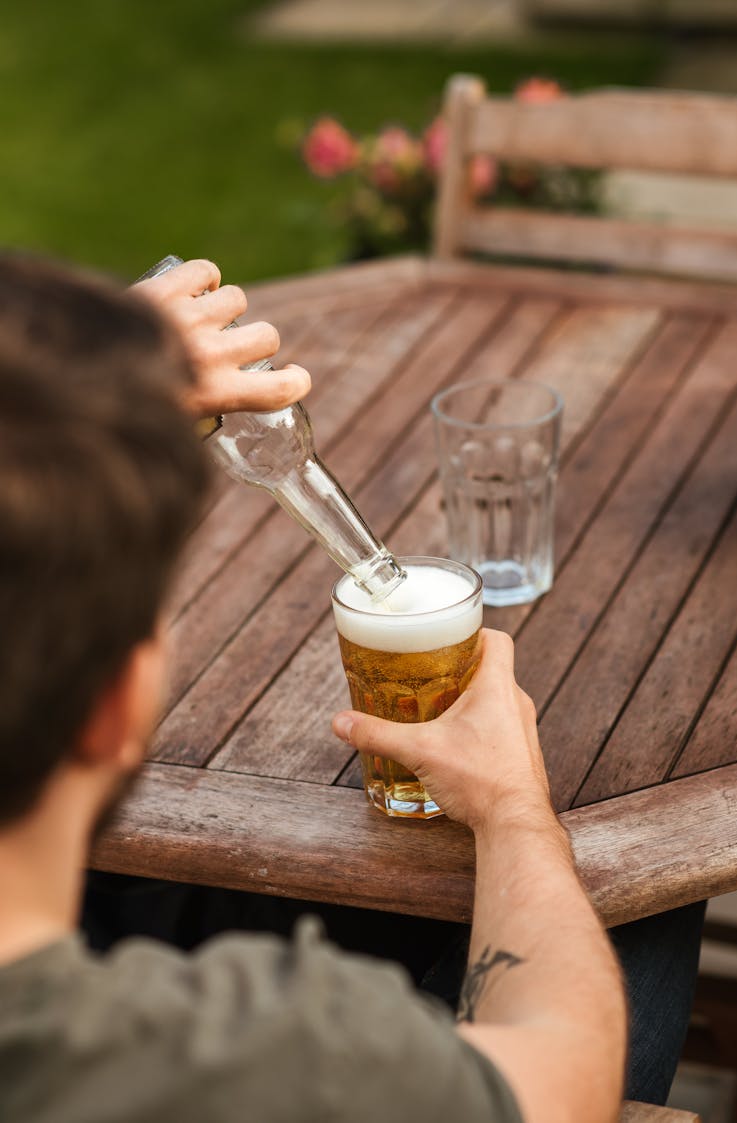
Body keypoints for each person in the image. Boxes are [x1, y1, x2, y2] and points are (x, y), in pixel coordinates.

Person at [0, 252, 677, 1123]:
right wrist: (513, 806)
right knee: (642, 905)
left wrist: (55, 412)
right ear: (118, 703)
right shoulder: (277, 1058)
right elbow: (568, 1079)